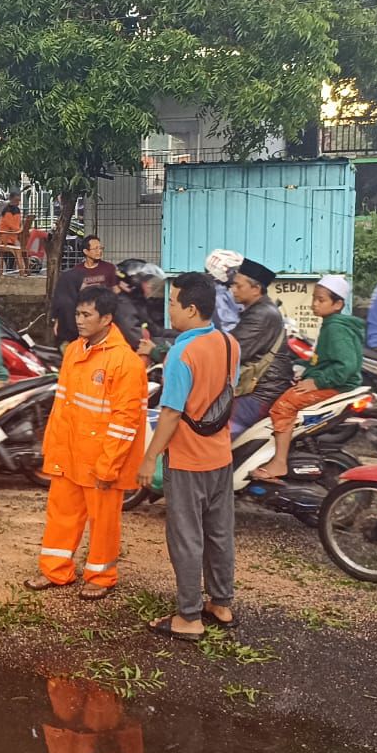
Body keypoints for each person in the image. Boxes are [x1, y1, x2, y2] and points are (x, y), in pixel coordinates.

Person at [25, 286, 147, 599]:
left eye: (86, 315)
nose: (79, 320)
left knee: (103, 522)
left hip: (101, 461)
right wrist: (52, 448)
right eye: (78, 313)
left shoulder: (126, 363)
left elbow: (126, 422)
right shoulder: (74, 352)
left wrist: (108, 465)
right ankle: (55, 570)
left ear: (106, 318)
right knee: (61, 515)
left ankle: (101, 576)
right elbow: (62, 407)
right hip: (69, 456)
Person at [137, 272, 240, 641]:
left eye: (173, 303)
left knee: (186, 538)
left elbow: (170, 413)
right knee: (219, 532)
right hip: (221, 457)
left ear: (192, 309)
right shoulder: (230, 344)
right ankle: (221, 604)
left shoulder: (183, 351)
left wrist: (150, 458)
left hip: (186, 460)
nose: (170, 310)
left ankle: (188, 616)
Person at [250, 276, 363, 482]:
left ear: (338, 304)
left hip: (335, 386)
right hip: (333, 382)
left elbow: (346, 365)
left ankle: (279, 462)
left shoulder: (336, 328)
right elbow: (323, 361)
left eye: (321, 300)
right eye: (314, 299)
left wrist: (317, 382)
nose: (314, 304)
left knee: (282, 407)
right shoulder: (331, 324)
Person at [227, 259, 293, 433]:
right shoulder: (259, 309)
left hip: (261, 393)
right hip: (258, 387)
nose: (233, 290)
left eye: (238, 286)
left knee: (218, 430)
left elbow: (232, 350)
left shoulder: (262, 314)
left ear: (256, 289)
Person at [53, 237, 141, 348]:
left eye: (100, 248)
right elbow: (67, 299)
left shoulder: (109, 268)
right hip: (85, 317)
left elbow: (116, 291)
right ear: (86, 251)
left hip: (103, 315)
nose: (99, 251)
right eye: (95, 248)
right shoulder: (77, 271)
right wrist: (58, 321)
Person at [203, 249, 244, 333]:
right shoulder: (217, 296)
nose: (239, 274)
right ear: (220, 271)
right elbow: (228, 327)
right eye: (235, 271)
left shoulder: (226, 290)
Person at [0, 192, 29, 277]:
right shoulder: (7, 211)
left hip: (12, 238)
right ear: (11, 199)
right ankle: (15, 270)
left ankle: (18, 269)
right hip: (5, 239)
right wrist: (20, 231)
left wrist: (20, 231)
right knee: (10, 256)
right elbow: (12, 225)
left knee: (13, 256)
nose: (18, 202)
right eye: (16, 200)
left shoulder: (16, 210)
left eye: (19, 200)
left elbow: (17, 225)